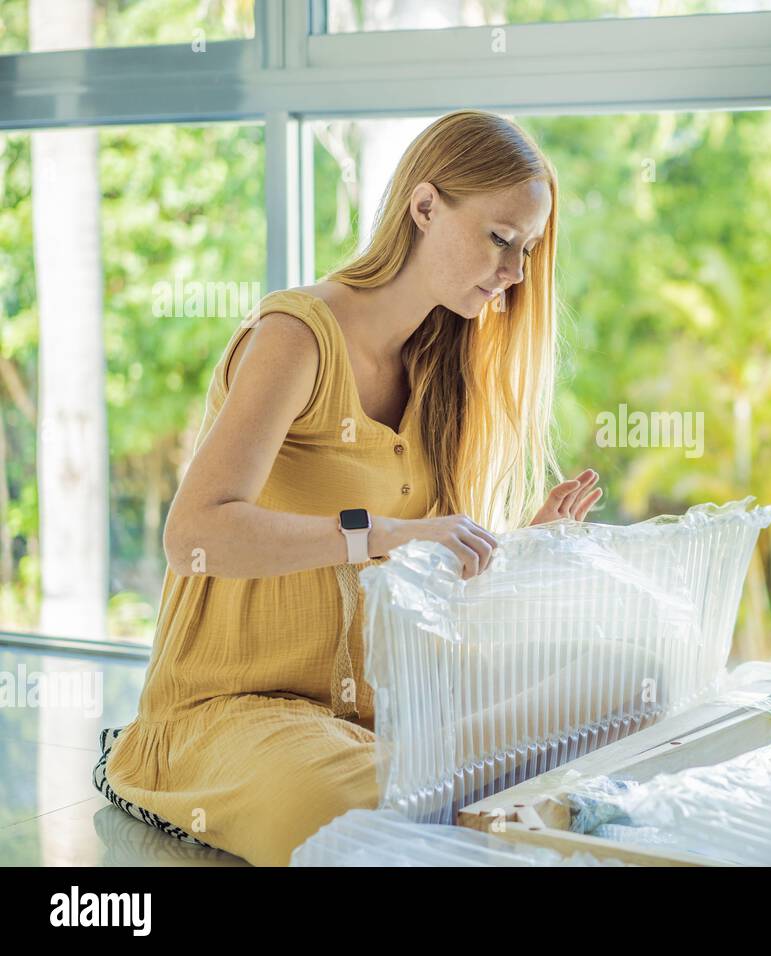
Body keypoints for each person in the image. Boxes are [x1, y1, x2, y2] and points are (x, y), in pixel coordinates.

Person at [96, 109, 602, 866]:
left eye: (527, 249)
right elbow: (194, 534)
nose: (516, 273)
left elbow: (433, 585)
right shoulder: (297, 336)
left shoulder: (443, 367)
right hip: (233, 713)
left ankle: (457, 797)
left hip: (374, 713)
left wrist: (525, 542)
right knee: (353, 812)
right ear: (424, 207)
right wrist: (383, 533)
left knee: (617, 691)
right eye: (501, 239)